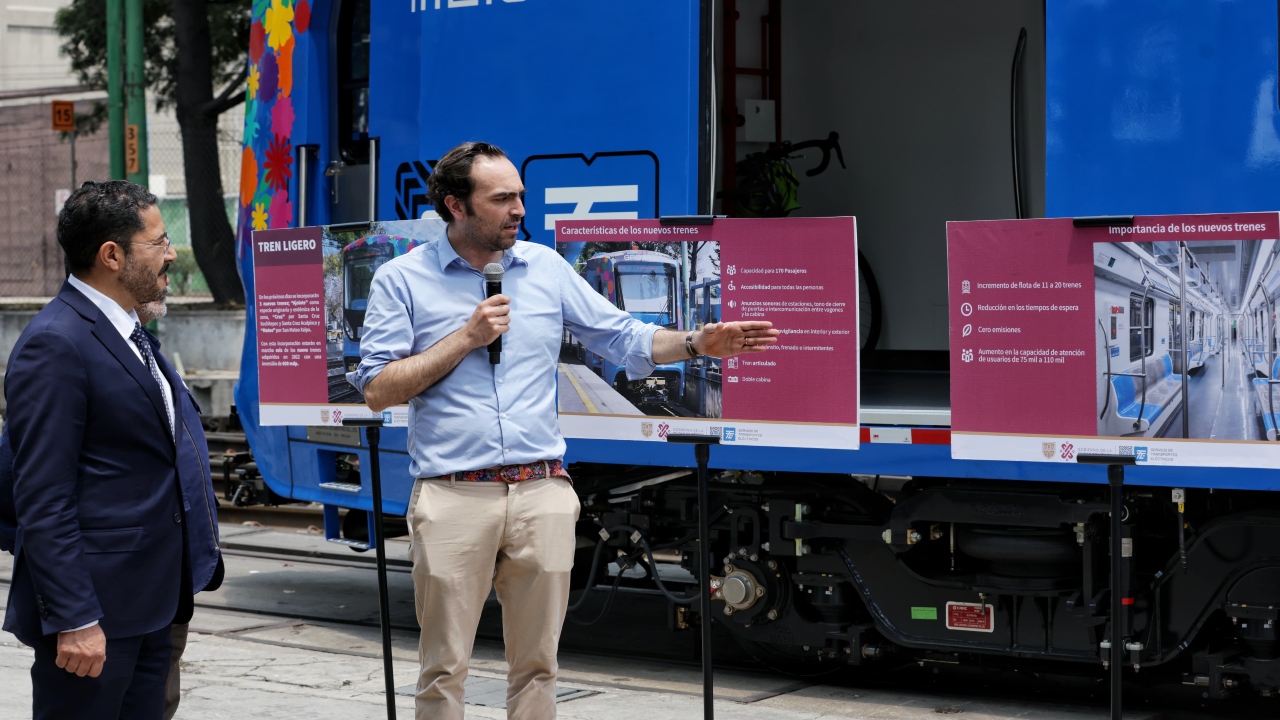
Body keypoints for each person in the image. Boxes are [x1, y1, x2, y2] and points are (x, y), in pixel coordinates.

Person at [349, 141, 779, 720]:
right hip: (453, 495)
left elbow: (624, 337)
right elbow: (378, 388)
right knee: (443, 669)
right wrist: (465, 338)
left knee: (539, 667)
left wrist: (699, 342)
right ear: (456, 205)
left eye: (520, 196)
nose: (518, 209)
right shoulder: (401, 280)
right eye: (501, 198)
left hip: (541, 492)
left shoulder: (545, 267)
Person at [3, 180, 223, 719]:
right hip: (95, 616)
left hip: (153, 604)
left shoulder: (131, 330)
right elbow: (42, 495)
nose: (171, 253)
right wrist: (74, 617)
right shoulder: (57, 342)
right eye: (160, 241)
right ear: (112, 255)